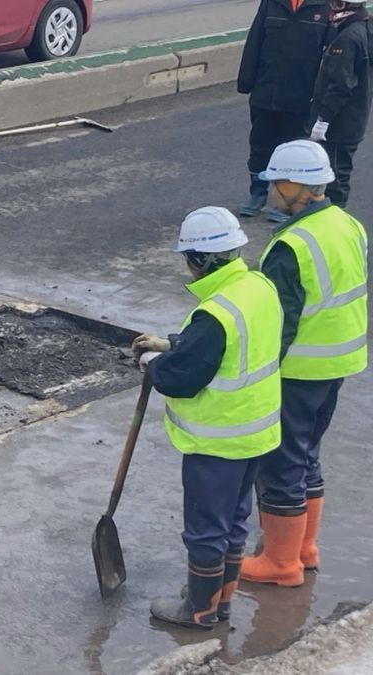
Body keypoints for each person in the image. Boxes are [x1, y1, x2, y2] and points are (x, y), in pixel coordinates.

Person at [134, 207, 282, 630]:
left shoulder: (214, 313)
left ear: (199, 259)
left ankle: (197, 610)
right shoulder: (257, 286)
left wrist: (152, 363)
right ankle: (221, 599)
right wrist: (173, 342)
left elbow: (182, 377)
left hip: (216, 442)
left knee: (204, 529)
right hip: (255, 434)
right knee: (233, 522)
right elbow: (232, 344)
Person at [241, 140, 368, 587]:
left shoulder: (290, 245)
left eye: (277, 182)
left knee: (281, 465)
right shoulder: (347, 224)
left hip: (298, 371)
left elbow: (279, 323)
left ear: (297, 186)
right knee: (307, 455)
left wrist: (255, 376)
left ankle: (280, 564)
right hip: (338, 362)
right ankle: (303, 548)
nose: (272, 190)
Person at [237, 0, 330, 223]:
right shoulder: (271, 3)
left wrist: (320, 97)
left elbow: (328, 59)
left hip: (301, 98)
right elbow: (255, 41)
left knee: (293, 151)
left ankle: (288, 202)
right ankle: (257, 194)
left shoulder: (325, 7)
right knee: (260, 145)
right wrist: (246, 83)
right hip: (266, 92)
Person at [309, 0, 372, 208]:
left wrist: (323, 119)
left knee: (335, 176)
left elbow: (340, 85)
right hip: (354, 117)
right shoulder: (364, 26)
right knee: (340, 171)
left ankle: (336, 216)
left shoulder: (347, 38)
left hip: (339, 123)